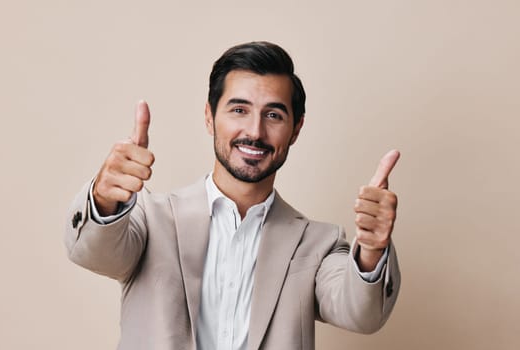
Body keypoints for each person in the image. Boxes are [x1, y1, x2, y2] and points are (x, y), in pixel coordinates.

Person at [65, 41, 401, 350]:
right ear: (210, 117)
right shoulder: (152, 218)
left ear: (296, 129)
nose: (255, 132)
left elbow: (361, 313)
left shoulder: (317, 243)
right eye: (239, 110)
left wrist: (371, 251)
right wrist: (105, 198)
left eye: (273, 115)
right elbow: (93, 254)